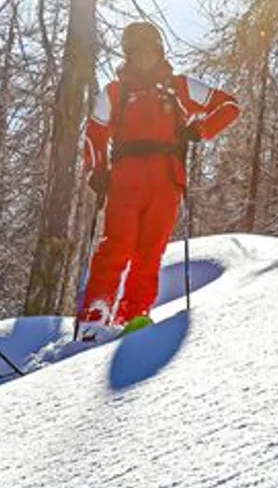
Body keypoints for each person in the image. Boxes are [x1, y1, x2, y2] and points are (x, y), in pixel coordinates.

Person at [77, 22, 241, 340]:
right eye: (137, 51)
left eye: (149, 50)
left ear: (159, 50)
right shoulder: (115, 91)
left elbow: (229, 106)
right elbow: (95, 134)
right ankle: (95, 315)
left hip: (167, 181)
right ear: (128, 54)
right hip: (124, 181)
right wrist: (96, 171)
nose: (144, 57)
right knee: (116, 246)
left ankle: (133, 316)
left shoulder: (180, 86)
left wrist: (200, 130)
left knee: (150, 252)